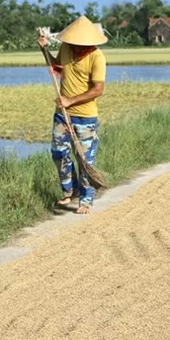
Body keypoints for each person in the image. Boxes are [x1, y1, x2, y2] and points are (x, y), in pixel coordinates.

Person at [38, 16, 107, 214]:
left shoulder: (97, 57)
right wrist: (44, 49)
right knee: (58, 152)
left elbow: (97, 90)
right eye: (74, 43)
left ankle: (86, 200)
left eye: (80, 44)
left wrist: (70, 100)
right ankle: (70, 190)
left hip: (85, 117)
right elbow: (58, 67)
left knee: (84, 159)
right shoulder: (67, 48)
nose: (76, 47)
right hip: (62, 114)